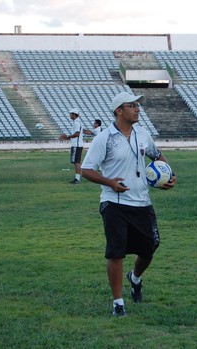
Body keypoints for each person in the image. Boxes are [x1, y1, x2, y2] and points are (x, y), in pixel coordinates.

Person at [81, 92, 176, 317]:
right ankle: (118, 303)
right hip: (114, 202)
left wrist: (169, 175)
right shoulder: (104, 138)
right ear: (119, 111)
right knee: (115, 252)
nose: (138, 109)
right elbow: (86, 170)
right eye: (132, 105)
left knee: (150, 247)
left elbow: (157, 156)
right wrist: (109, 183)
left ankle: (134, 277)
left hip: (142, 201)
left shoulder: (143, 134)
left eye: (138, 105)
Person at [60, 109, 84, 184]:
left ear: (74, 114)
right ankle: (77, 177)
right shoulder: (77, 122)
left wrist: (67, 137)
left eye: (71, 114)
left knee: (76, 162)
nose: (70, 115)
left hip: (76, 145)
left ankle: (77, 178)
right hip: (78, 144)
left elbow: (77, 133)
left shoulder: (76, 122)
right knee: (76, 161)